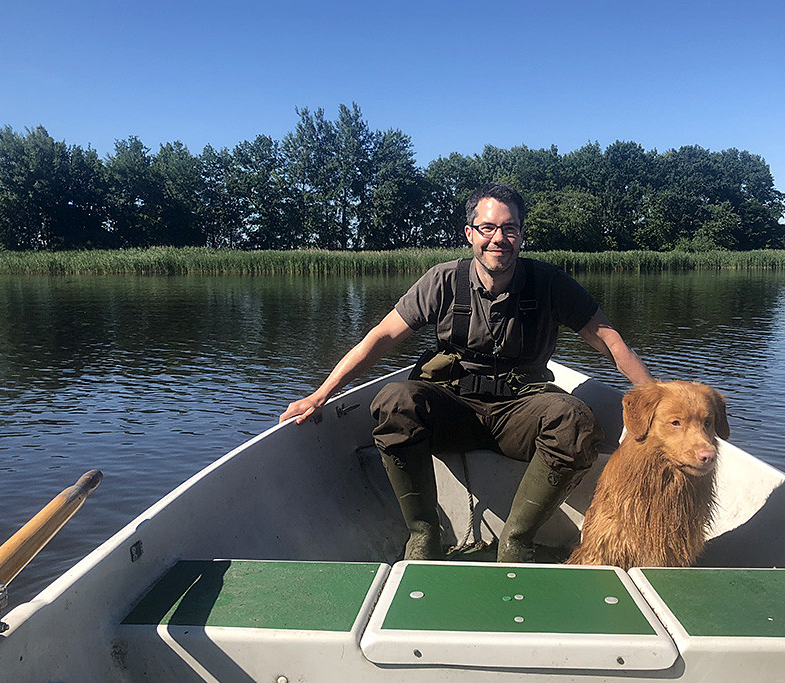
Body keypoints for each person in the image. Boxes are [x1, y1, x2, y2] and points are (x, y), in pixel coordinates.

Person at [279, 183, 653, 562]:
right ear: (470, 233)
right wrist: (319, 394)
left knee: (575, 419)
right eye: (488, 228)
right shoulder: (442, 280)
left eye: (510, 228)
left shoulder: (551, 284)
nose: (499, 239)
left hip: (520, 413)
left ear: (521, 234)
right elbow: (380, 338)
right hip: (452, 411)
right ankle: (423, 536)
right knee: (396, 400)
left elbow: (610, 341)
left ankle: (516, 540)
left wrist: (657, 399)